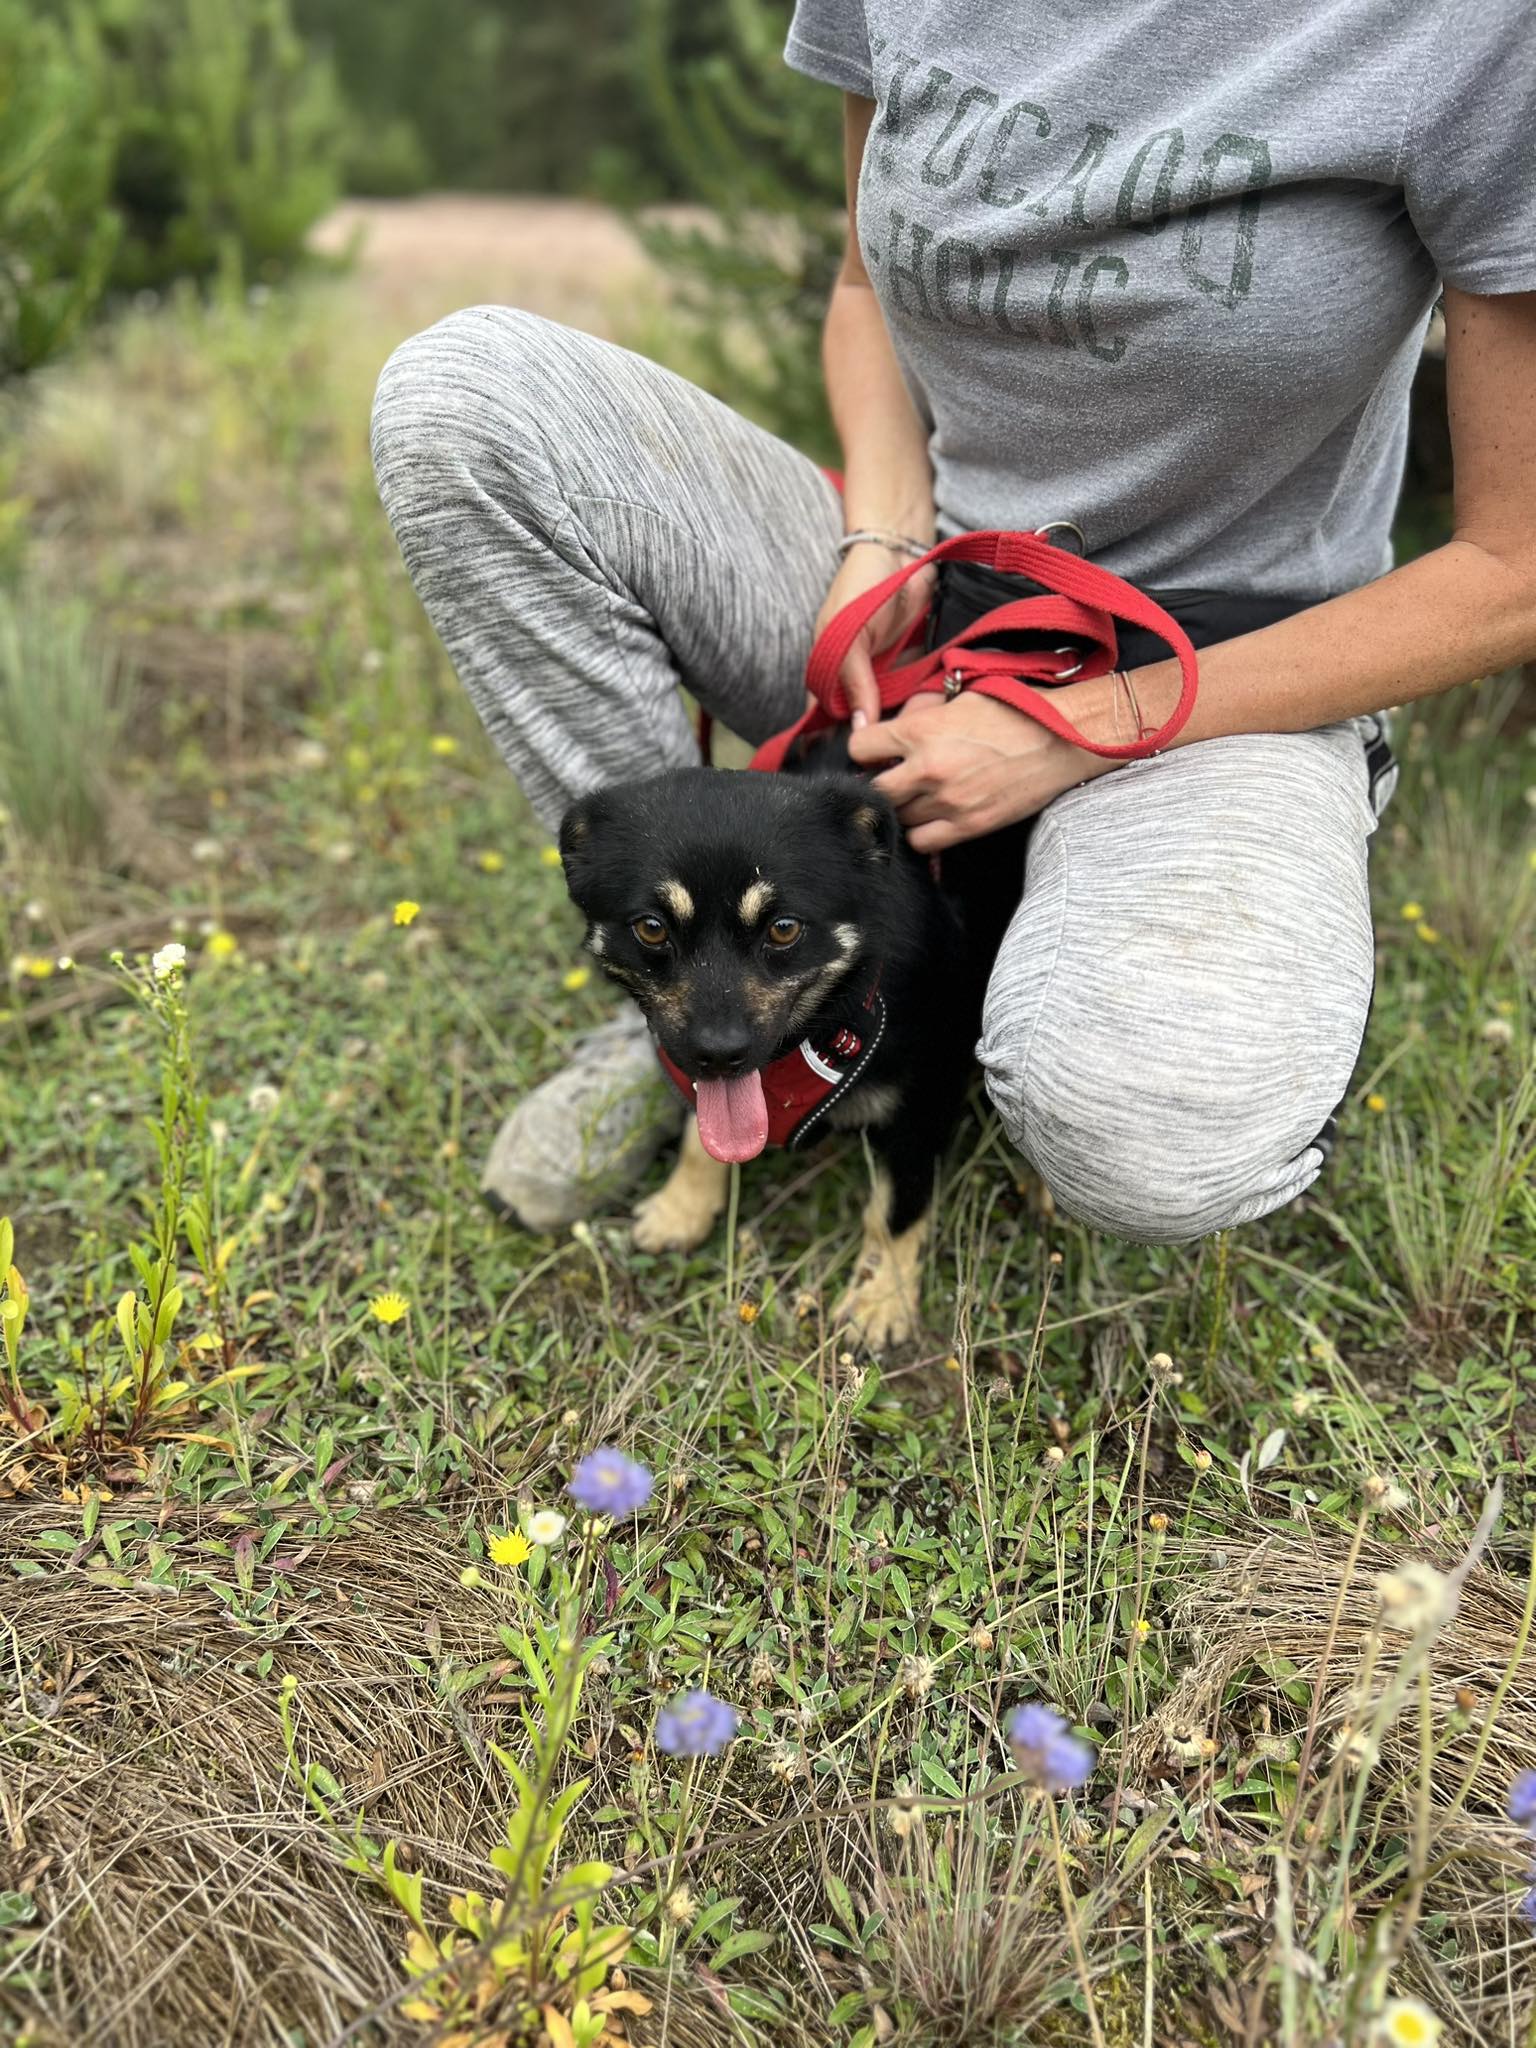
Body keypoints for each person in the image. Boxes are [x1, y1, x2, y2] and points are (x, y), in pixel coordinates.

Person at [371, 0, 1536, 1246]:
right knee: (463, 401)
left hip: (1229, 664)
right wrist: (881, 535)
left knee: (1150, 1135)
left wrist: (1070, 729)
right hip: (940, 576)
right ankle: (678, 1001)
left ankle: (1130, 958)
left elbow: (1513, 565)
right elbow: (862, 285)